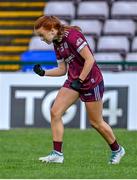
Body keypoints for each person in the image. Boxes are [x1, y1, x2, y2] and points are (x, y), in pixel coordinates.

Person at [33, 15, 125, 164]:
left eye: (42, 35)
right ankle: (57, 154)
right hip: (74, 80)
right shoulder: (57, 43)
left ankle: (117, 149)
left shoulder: (72, 37)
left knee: (96, 122)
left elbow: (90, 59)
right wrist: (44, 73)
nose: (41, 39)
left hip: (90, 81)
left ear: (51, 30)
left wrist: (80, 80)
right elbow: (62, 70)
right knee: (55, 112)